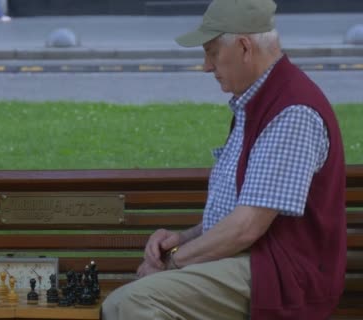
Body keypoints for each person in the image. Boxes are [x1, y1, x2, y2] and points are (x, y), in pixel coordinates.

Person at [101, 0, 346, 319]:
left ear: (244, 47)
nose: (205, 66)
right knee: (129, 299)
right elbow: (242, 212)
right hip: (259, 264)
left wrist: (175, 262)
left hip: (282, 278)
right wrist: (182, 239)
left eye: (211, 52)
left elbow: (247, 227)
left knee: (132, 303)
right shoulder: (260, 102)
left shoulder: (293, 112)